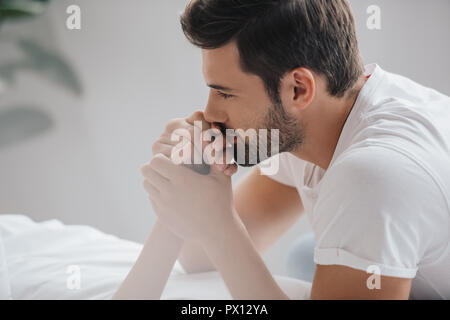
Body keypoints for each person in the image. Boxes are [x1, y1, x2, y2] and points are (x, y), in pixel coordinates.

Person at [114, 0, 450, 300]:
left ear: (298, 88)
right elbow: (200, 257)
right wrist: (187, 178)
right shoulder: (318, 118)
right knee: (307, 255)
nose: (210, 113)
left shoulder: (372, 176)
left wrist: (219, 225)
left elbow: (217, 240)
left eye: (226, 94)